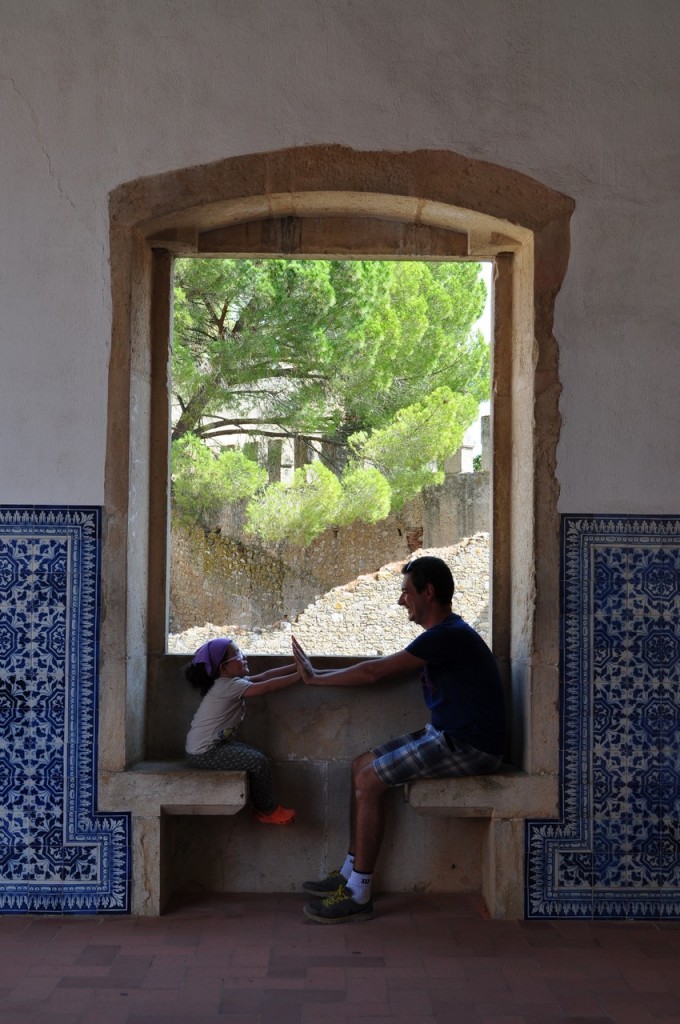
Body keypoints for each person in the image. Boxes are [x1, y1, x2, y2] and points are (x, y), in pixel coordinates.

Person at [292, 555, 507, 922]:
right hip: (448, 735)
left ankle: (359, 893)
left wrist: (315, 677)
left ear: (429, 591)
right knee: (360, 764)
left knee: (368, 778)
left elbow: (375, 673)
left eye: (406, 591)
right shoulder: (442, 637)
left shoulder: (447, 636)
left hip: (470, 746)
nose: (400, 600)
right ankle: (347, 873)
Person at [185, 637, 299, 824]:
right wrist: (301, 675)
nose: (244, 656)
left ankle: (261, 806)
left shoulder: (228, 683)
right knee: (257, 761)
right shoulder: (229, 686)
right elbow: (267, 686)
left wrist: (296, 666)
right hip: (204, 753)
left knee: (257, 755)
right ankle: (267, 810)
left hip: (206, 747)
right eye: (237, 654)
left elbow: (264, 676)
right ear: (223, 668)